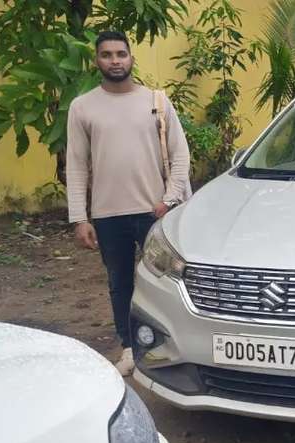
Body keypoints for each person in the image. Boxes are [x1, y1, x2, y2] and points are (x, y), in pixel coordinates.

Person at [66, 31, 190, 376]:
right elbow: (76, 164)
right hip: (108, 215)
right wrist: (80, 217)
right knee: (119, 283)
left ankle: (172, 344)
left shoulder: (157, 101)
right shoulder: (83, 107)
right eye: (107, 54)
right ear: (97, 61)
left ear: (131, 58)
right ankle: (129, 348)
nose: (115, 60)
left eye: (121, 53)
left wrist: (168, 200)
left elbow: (181, 155)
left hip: (155, 211)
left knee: (166, 282)